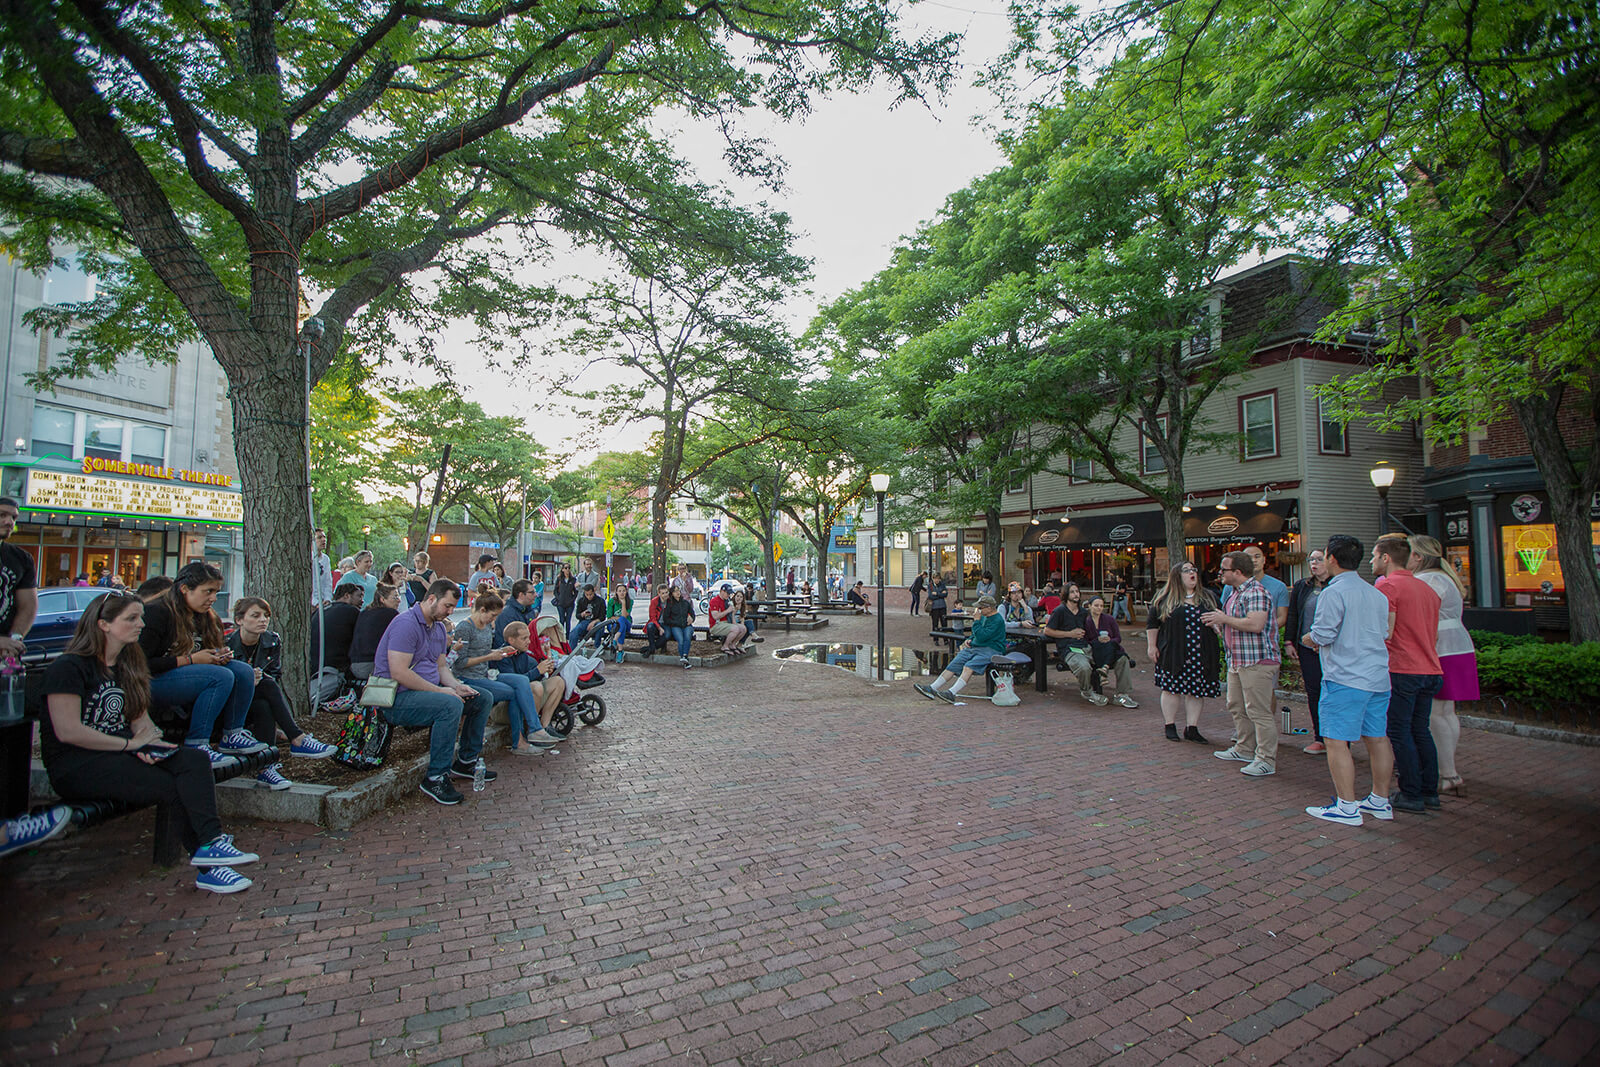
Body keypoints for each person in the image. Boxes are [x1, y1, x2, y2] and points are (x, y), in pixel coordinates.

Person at [42, 591, 259, 892]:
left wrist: (154, 746)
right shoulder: (70, 667)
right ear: (103, 624)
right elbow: (68, 731)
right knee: (170, 787)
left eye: (140, 617)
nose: (141, 624)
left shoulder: (128, 666)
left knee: (193, 760)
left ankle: (211, 844)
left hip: (120, 755)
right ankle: (209, 867)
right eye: (131, 618)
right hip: (78, 764)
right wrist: (131, 746)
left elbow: (142, 723)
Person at [1302, 535, 1397, 826]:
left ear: (1331, 557)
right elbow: (1384, 632)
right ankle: (1380, 800)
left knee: (1335, 740)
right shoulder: (1376, 594)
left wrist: (1308, 638)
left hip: (1345, 676)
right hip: (1378, 676)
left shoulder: (1333, 592)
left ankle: (1346, 805)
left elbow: (1323, 634)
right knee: (1377, 737)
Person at [375, 579, 496, 805]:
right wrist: (442, 692)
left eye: (452, 607)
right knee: (450, 705)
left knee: (481, 698)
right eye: (447, 606)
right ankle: (435, 777)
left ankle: (466, 761)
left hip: (426, 693)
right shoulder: (406, 624)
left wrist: (455, 686)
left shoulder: (439, 627)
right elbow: (399, 672)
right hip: (395, 697)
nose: (450, 611)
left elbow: (441, 667)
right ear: (431, 599)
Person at [139, 562, 267, 767]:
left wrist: (217, 656)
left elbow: (202, 654)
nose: (213, 598)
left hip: (187, 674)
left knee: (242, 671)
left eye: (216, 592)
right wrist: (191, 660)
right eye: (208, 591)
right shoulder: (157, 613)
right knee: (219, 677)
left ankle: (232, 735)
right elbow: (141, 664)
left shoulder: (203, 615)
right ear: (184, 589)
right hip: (150, 682)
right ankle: (197, 743)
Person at [227, 597, 335, 789]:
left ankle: (266, 768)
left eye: (266, 616)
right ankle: (297, 738)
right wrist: (245, 679)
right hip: (230, 703)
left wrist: (258, 679)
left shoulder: (272, 640)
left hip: (256, 699)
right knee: (266, 685)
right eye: (255, 615)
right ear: (239, 620)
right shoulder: (227, 644)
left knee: (265, 705)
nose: (263, 620)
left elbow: (275, 674)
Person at [1372, 534, 1443, 814]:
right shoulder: (1427, 589)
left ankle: (1411, 792)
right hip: (1430, 667)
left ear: (1386, 558)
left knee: (1399, 732)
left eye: (1375, 556)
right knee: (1420, 730)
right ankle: (1429, 791)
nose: (1372, 561)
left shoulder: (1388, 587)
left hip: (1402, 668)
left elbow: (1385, 631)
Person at [1203, 551, 1282, 777]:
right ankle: (1245, 748)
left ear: (1237, 572)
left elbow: (1256, 624)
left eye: (1224, 569)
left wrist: (1224, 619)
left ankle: (1266, 759)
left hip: (1256, 660)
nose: (1220, 573)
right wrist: (1219, 625)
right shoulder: (1234, 593)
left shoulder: (1256, 592)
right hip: (1237, 660)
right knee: (1236, 705)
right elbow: (1236, 625)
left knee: (1259, 710)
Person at [1409, 535, 1476, 796]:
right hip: (1457, 646)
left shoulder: (1429, 580)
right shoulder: (1445, 577)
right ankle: (1449, 770)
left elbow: (1424, 617)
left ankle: (1446, 773)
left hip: (1440, 648)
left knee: (1435, 713)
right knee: (1447, 712)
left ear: (1419, 556)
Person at [451, 591, 552, 758]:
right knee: (515, 692)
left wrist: (499, 651)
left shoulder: (484, 627)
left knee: (520, 681)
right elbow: (460, 662)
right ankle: (521, 740)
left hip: (485, 674)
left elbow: (482, 652)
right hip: (469, 678)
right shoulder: (465, 628)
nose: (493, 620)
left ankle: (534, 729)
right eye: (492, 616)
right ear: (482, 610)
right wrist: (490, 656)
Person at [1145, 563, 1220, 743]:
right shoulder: (1165, 599)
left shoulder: (1208, 597)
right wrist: (1151, 646)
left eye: (1194, 570)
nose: (1192, 573)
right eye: (1187, 571)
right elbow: (1153, 623)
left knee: (1196, 690)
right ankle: (1169, 725)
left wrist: (1218, 626)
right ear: (1177, 576)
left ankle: (1192, 727)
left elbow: (1219, 617)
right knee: (1171, 688)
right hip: (1173, 650)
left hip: (1201, 650)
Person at [915, 595, 1006, 703]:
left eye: (981, 608)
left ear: (989, 608)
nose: (978, 610)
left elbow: (982, 635)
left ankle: (952, 692)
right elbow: (976, 634)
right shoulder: (984, 617)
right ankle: (932, 687)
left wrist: (976, 622)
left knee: (969, 666)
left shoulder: (997, 620)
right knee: (954, 664)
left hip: (991, 649)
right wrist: (970, 639)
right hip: (976, 647)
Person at [1286, 550, 1330, 755]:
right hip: (1307, 648)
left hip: (1331, 650)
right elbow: (1293, 614)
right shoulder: (1303, 587)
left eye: (1319, 559)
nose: (1314, 563)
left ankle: (1338, 738)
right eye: (1311, 560)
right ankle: (1319, 737)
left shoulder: (1337, 587)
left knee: (1333, 691)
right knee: (1314, 691)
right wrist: (1289, 641)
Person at [499, 621, 567, 748]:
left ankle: (544, 726)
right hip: (506, 707)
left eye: (529, 637)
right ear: (511, 640)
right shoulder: (503, 656)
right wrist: (537, 671)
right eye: (524, 638)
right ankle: (532, 730)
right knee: (535, 686)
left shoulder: (526, 656)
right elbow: (513, 684)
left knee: (558, 682)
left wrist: (545, 670)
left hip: (527, 700)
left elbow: (536, 676)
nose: (529, 641)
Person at [1040, 584, 1108, 706]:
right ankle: (1087, 691)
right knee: (1084, 667)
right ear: (1066, 594)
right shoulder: (1059, 611)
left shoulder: (1083, 612)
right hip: (1069, 649)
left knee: (1117, 657)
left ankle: (1122, 693)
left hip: (1086, 646)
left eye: (1077, 591)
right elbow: (1047, 631)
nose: (1076, 594)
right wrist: (1069, 634)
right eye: (1072, 592)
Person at [309, 581, 364, 699]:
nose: (362, 600)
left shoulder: (321, 610)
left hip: (313, 663)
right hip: (335, 666)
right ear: (347, 596)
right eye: (359, 596)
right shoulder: (352, 611)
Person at [1085, 596, 1138, 708]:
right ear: (1089, 606)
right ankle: (1104, 668)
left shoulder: (1109, 619)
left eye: (1101, 606)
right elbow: (1085, 640)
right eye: (1096, 605)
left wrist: (1110, 640)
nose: (1099, 608)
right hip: (1097, 653)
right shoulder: (1086, 621)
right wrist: (1097, 640)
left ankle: (1122, 693)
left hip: (1112, 651)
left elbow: (1118, 638)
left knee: (1122, 658)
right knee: (1107, 647)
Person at [348, 581, 401, 679]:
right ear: (382, 599)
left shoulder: (365, 612)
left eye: (399, 597)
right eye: (395, 597)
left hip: (354, 665)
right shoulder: (391, 614)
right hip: (372, 665)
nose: (399, 600)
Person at [493, 580, 539, 646]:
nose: (536, 595)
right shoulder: (507, 614)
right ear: (521, 595)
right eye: (532, 592)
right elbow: (504, 643)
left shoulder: (529, 610)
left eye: (535, 592)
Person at [660, 584, 695, 668]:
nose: (677, 593)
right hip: (676, 626)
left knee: (687, 636)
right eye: (675, 591)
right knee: (681, 639)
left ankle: (684, 656)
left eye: (678, 590)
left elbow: (693, 614)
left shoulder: (685, 603)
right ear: (672, 593)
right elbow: (666, 619)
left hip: (686, 625)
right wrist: (675, 623)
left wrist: (691, 618)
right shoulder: (670, 604)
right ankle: (684, 659)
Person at [707, 583, 748, 655]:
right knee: (735, 629)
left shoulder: (727, 601)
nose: (729, 595)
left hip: (726, 623)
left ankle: (732, 644)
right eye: (727, 593)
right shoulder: (714, 601)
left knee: (743, 628)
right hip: (716, 625)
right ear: (722, 591)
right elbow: (715, 616)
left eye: (729, 594)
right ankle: (725, 646)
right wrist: (728, 610)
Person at [568, 583, 608, 647]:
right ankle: (571, 650)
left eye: (590, 594)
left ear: (593, 592)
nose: (589, 596)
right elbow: (577, 615)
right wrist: (582, 614)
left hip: (596, 621)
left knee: (600, 627)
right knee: (574, 632)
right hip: (584, 622)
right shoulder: (581, 601)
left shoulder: (600, 601)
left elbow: (602, 616)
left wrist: (594, 622)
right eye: (587, 595)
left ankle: (597, 647)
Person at [600, 582, 634, 656]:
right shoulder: (611, 601)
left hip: (627, 623)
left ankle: (616, 638)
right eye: (620, 591)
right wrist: (619, 619)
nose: (622, 593)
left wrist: (624, 604)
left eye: (624, 591)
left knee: (622, 621)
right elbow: (609, 617)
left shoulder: (630, 601)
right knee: (622, 626)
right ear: (616, 592)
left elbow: (625, 616)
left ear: (626, 592)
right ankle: (620, 651)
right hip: (614, 625)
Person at [642, 583, 671, 656]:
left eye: (666, 592)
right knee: (650, 626)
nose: (665, 595)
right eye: (663, 593)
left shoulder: (670, 601)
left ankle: (651, 648)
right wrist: (659, 628)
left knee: (667, 635)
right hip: (656, 623)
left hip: (666, 624)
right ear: (659, 593)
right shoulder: (654, 601)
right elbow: (652, 617)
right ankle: (651, 647)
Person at [552, 563, 578, 632]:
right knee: (562, 620)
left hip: (570, 604)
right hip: (561, 603)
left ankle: (568, 636)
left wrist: (572, 599)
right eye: (566, 568)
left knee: (568, 620)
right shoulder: (559, 579)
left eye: (569, 568)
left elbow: (575, 591)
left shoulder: (573, 580)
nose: (567, 569)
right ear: (563, 569)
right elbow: (555, 591)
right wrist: (559, 598)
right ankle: (561, 635)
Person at [312, 529, 333, 607]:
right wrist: (315, 602)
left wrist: (327, 599)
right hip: (312, 603)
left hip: (324, 602)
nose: (323, 540)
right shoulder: (307, 559)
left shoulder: (326, 559)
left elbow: (328, 582)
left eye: (324, 537)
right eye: (319, 537)